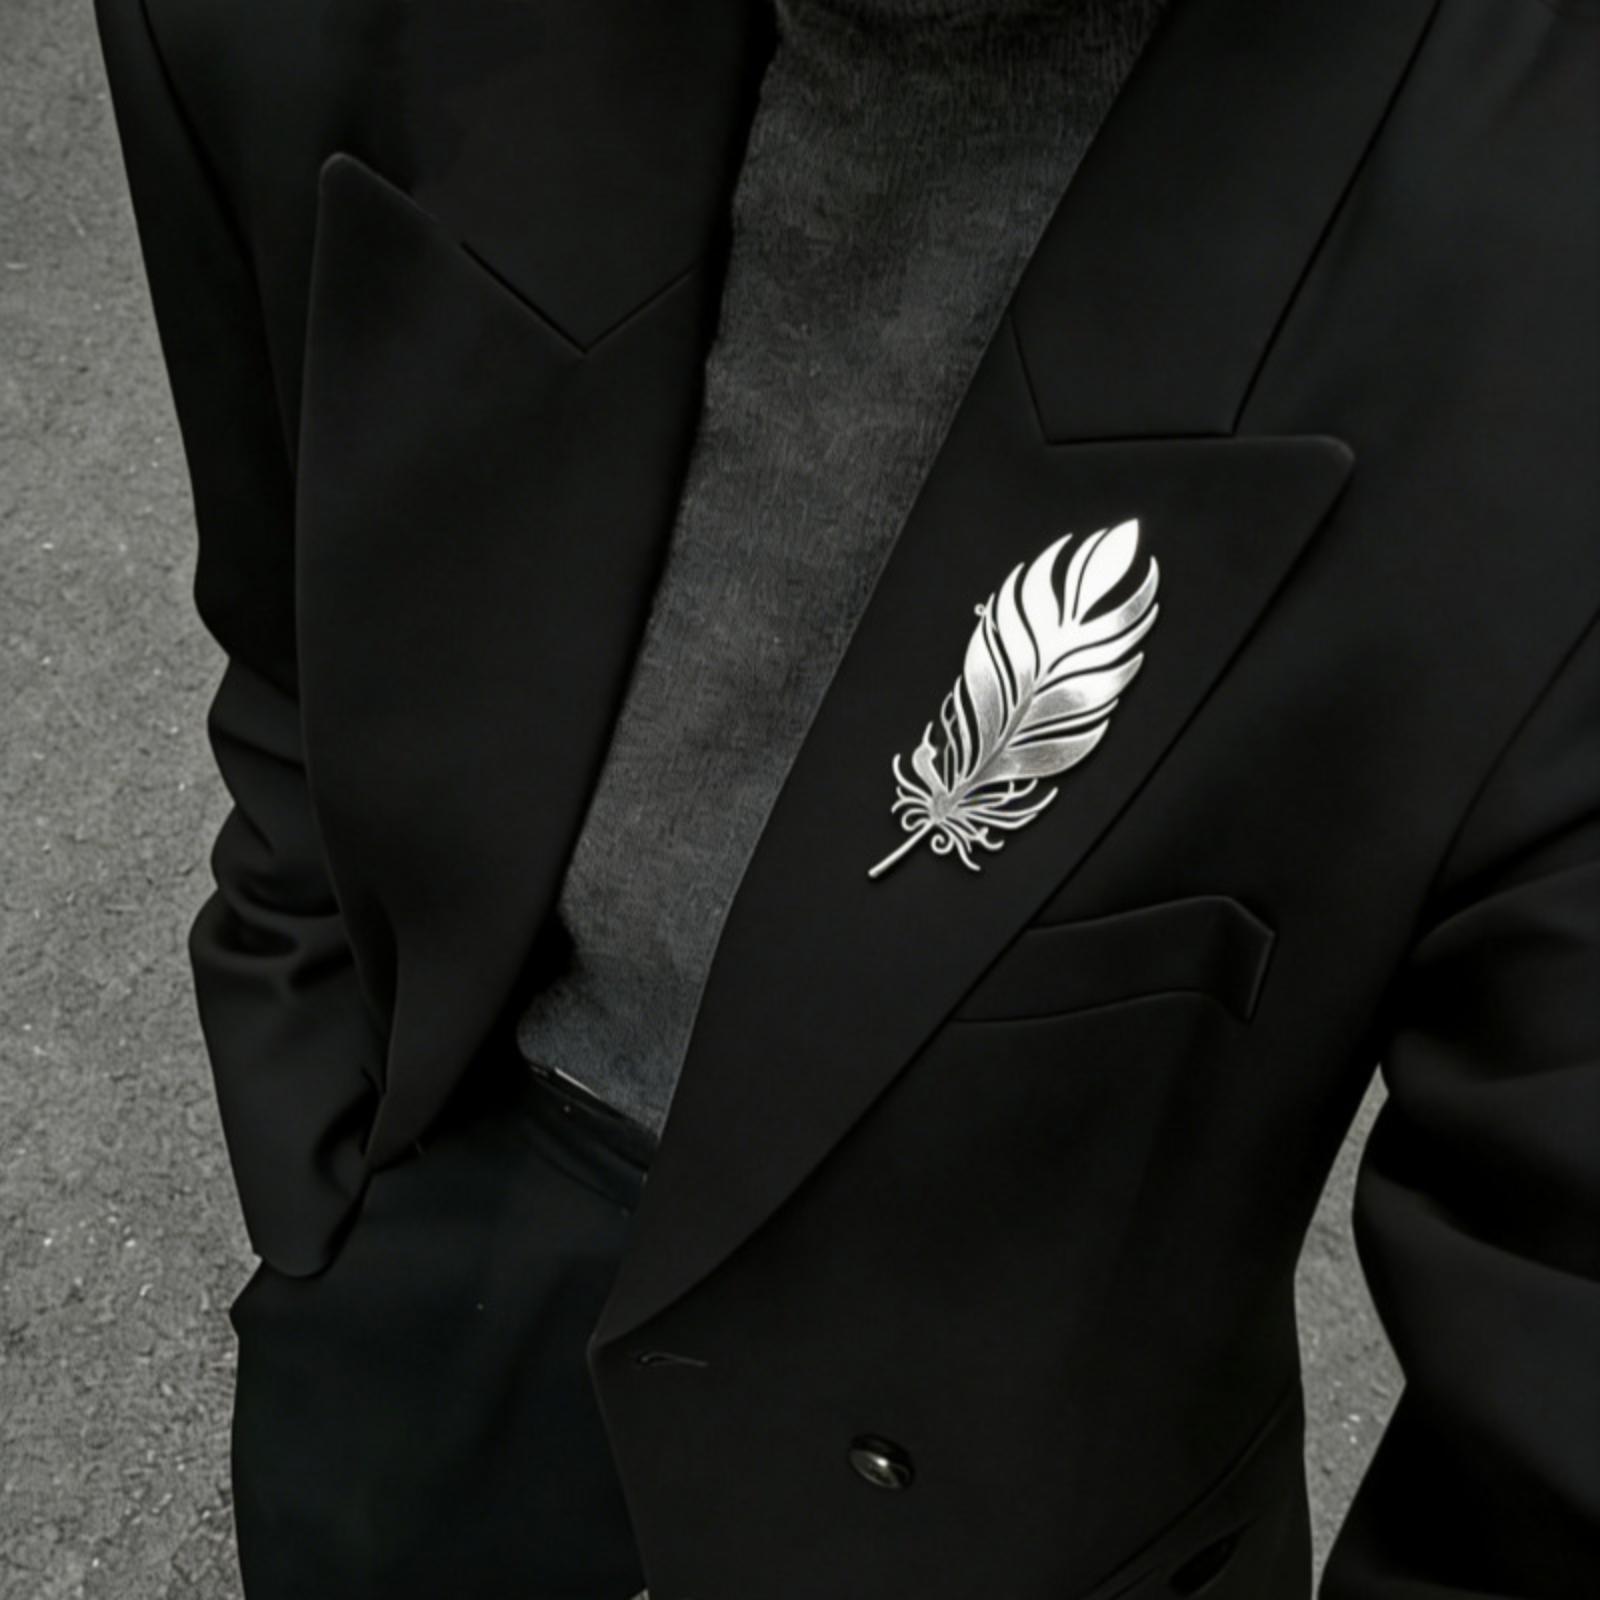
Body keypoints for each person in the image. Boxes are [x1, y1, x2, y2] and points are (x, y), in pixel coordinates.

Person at [94, 0, 1599, 1596]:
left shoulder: (1534, 241)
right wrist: (320, 1174)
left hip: (1009, 1499)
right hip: (417, 1332)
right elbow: (291, 612)